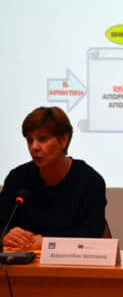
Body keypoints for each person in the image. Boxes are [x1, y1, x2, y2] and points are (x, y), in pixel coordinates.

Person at [0, 106, 107, 251]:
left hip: (70, 263)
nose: (34, 147)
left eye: (42, 139)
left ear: (64, 140)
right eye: (29, 140)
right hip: (23, 263)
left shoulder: (89, 181)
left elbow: (92, 233)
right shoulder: (17, 178)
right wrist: (5, 237)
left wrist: (47, 242)